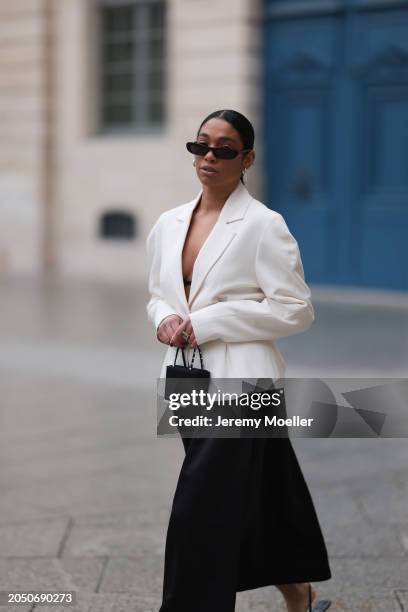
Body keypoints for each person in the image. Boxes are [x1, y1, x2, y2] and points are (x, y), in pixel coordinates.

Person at [146, 109, 332, 612]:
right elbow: (159, 294)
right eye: (201, 145)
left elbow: (296, 310)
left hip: (240, 384)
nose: (209, 156)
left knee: (201, 506)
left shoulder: (263, 225)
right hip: (184, 377)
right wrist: (163, 317)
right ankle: (300, 594)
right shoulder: (168, 224)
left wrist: (210, 322)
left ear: (246, 158)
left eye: (225, 149)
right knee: (257, 494)